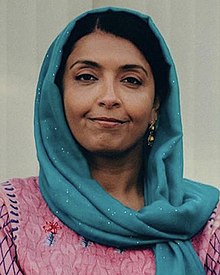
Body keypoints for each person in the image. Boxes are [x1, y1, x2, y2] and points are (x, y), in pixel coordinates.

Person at [0, 6, 219, 275]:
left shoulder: (207, 222)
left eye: (131, 80)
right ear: (57, 96)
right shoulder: (12, 214)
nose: (109, 97)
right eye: (86, 77)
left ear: (156, 105)